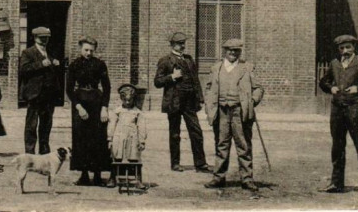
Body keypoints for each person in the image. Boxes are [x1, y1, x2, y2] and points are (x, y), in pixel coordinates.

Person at [203, 39, 264, 192]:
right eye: (230, 50)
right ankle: (218, 177)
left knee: (243, 145)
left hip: (240, 112)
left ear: (240, 52)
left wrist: (252, 101)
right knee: (221, 144)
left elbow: (258, 89)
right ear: (225, 51)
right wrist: (209, 105)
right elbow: (208, 88)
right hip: (221, 112)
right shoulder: (216, 68)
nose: (233, 53)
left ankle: (247, 178)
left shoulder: (247, 68)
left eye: (236, 50)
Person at [154, 32, 211, 173]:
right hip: (174, 101)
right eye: (180, 43)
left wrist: (200, 97)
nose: (183, 45)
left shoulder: (189, 60)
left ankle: (200, 164)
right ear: (173, 45)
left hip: (189, 102)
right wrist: (172, 77)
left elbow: (195, 80)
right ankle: (175, 163)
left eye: (184, 43)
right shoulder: (165, 60)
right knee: (175, 133)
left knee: (196, 131)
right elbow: (157, 82)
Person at [318, 34, 358, 193]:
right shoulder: (334, 64)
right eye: (342, 48)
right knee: (337, 146)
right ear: (338, 50)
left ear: (353, 47)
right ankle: (337, 183)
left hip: (355, 109)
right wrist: (331, 88)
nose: (345, 51)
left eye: (348, 47)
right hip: (337, 110)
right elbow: (323, 81)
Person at [66, 37, 111, 186]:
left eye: (91, 50)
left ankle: (97, 175)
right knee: (81, 138)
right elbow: (69, 89)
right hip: (80, 103)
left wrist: (104, 108)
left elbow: (107, 88)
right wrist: (78, 107)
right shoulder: (74, 65)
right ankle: (84, 174)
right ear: (80, 49)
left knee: (98, 138)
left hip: (96, 102)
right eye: (86, 50)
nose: (89, 53)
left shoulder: (100, 65)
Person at [20, 26, 60, 155]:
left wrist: (55, 63)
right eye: (41, 38)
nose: (44, 41)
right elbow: (24, 69)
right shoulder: (28, 52)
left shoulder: (50, 52)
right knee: (32, 125)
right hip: (34, 94)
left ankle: (44, 150)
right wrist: (41, 64)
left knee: (46, 124)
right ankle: (29, 152)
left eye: (46, 38)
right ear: (35, 38)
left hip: (48, 95)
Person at [106, 84, 147, 190]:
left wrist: (142, 141)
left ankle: (138, 179)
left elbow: (141, 127)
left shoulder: (138, 112)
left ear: (133, 99)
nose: (127, 103)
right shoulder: (117, 112)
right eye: (125, 100)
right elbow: (112, 125)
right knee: (116, 157)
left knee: (134, 158)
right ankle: (112, 178)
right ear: (121, 99)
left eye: (130, 100)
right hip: (118, 137)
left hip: (133, 138)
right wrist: (110, 139)